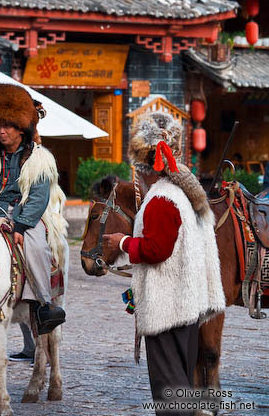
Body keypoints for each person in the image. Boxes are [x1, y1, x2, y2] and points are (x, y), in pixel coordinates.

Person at [103, 112, 225, 416]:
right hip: (185, 307)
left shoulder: (161, 200)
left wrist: (121, 242)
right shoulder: (184, 195)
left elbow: (157, 250)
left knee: (171, 398)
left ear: (142, 166)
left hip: (166, 310)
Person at [0, 83, 66, 335]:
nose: (1, 131)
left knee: (38, 246)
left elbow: (38, 198)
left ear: (21, 129)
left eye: (7, 125)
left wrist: (21, 224)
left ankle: (43, 304)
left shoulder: (40, 158)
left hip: (24, 218)